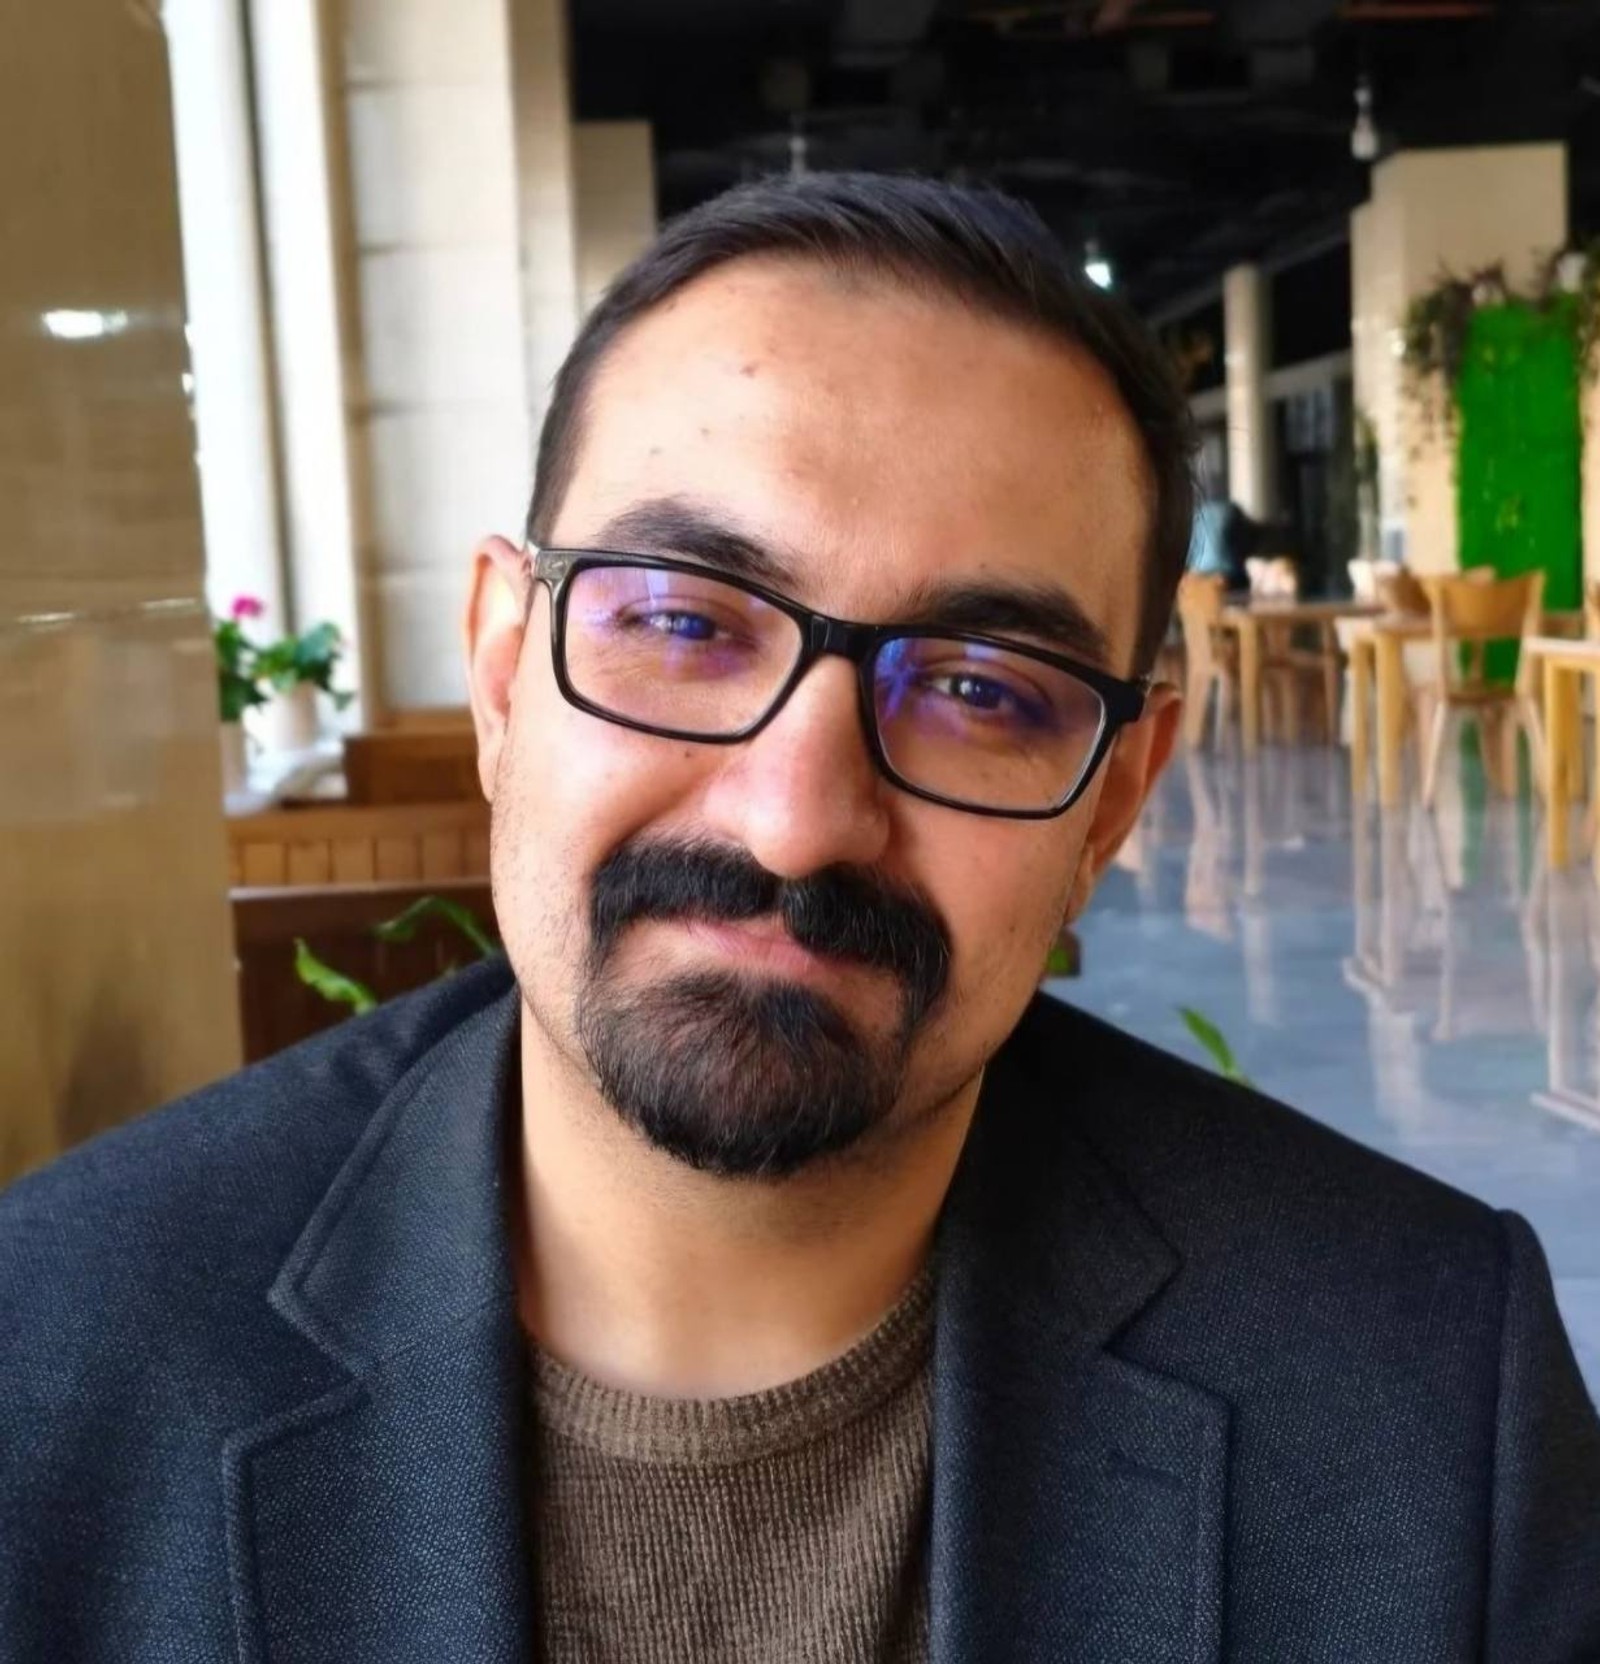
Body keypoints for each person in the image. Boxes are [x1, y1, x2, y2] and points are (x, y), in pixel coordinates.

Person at [2, 174, 1596, 1664]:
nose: (796, 819)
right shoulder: (51, 1361)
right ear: (501, 675)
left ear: (1113, 801)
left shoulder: (1421, 1399)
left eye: (980, 690)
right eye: (683, 621)